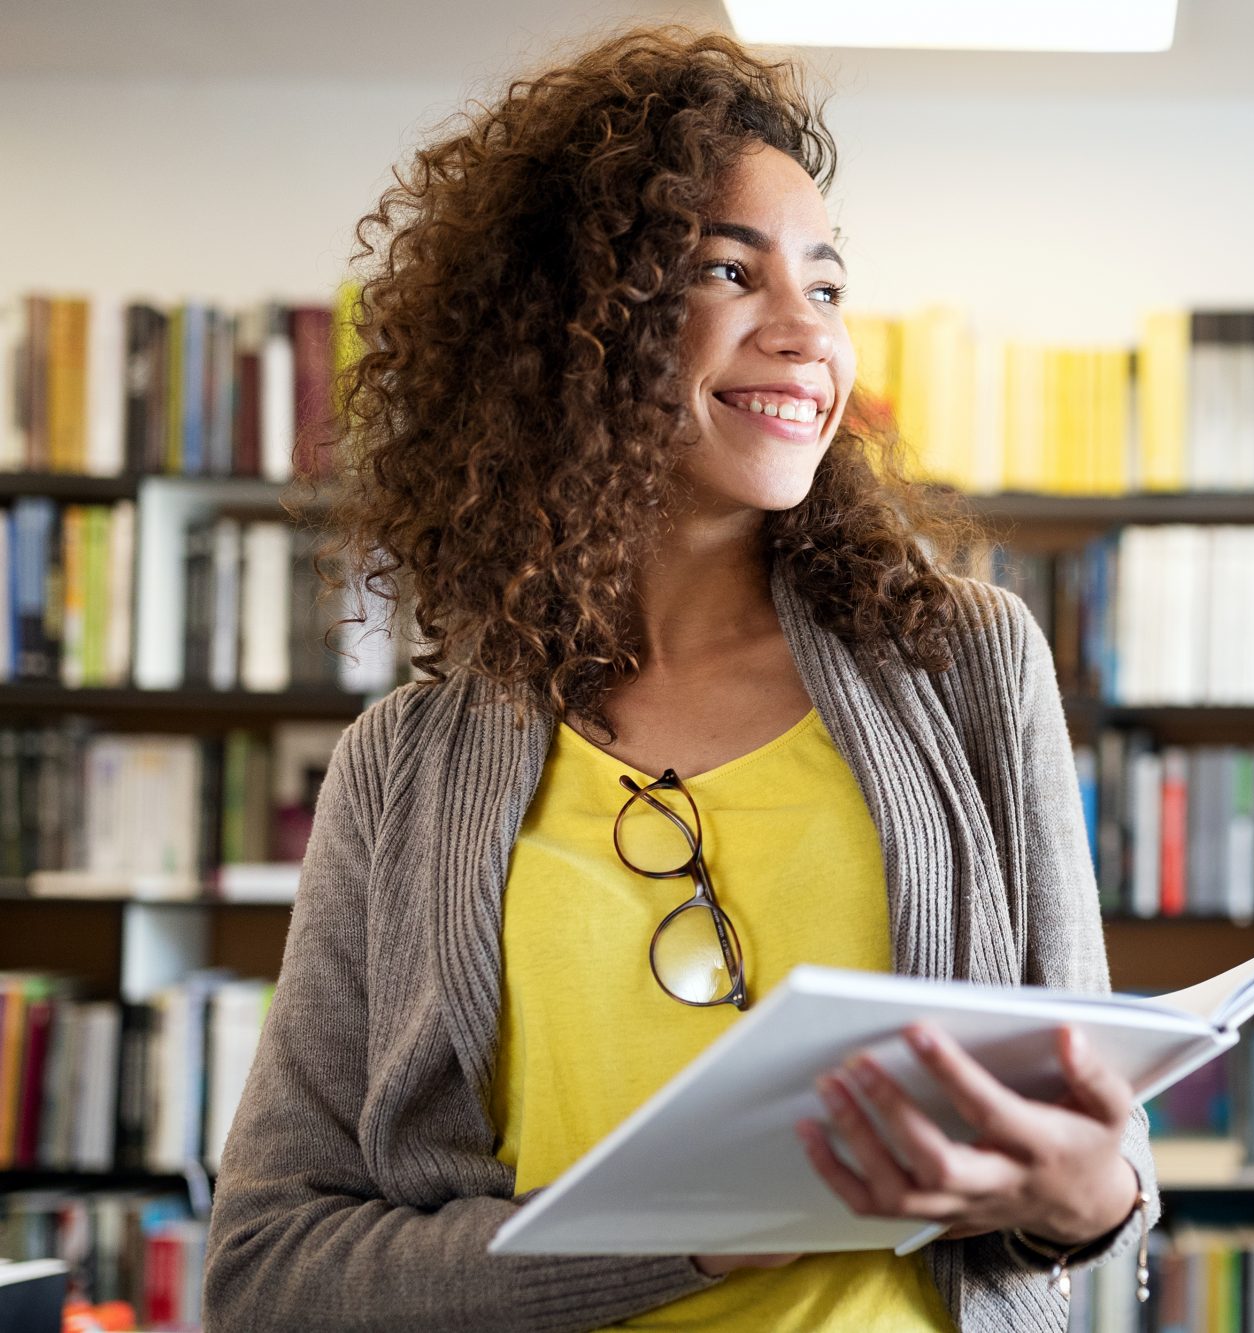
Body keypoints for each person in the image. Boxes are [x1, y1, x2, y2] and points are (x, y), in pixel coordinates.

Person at [201, 23, 1159, 1333]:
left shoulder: (968, 664)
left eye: (826, 286)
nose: (806, 335)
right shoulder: (403, 764)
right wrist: (683, 1236)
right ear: (574, 323)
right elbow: (270, 1267)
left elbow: (1102, 1165)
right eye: (728, 270)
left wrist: (1093, 1191)